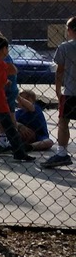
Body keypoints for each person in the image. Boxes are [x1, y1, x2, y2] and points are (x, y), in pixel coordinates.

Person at [0, 34, 33, 162]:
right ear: (3, 49)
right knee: (10, 128)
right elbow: (0, 82)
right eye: (7, 48)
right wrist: (6, 82)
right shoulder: (2, 64)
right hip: (0, 101)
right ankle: (19, 152)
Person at [43, 16, 76, 168]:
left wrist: (57, 90)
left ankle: (62, 153)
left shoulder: (65, 47)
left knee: (63, 121)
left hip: (71, 91)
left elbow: (59, 71)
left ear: (70, 31)